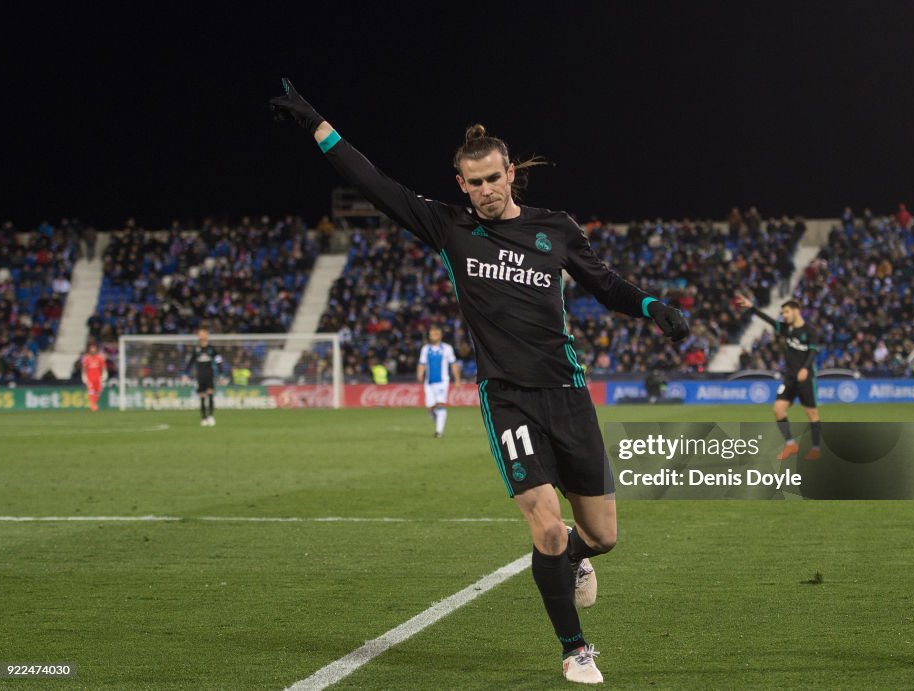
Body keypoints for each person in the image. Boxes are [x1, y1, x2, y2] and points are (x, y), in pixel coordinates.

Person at [271, 78, 689, 685]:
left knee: (601, 537)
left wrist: (652, 307)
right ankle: (575, 648)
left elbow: (606, 285)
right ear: (460, 184)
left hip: (568, 395)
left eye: (495, 178)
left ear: (511, 173)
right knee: (546, 525)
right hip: (508, 398)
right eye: (475, 183)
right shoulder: (450, 228)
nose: (487, 191)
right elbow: (375, 185)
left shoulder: (557, 228)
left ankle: (577, 558)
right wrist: (317, 124)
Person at [734, 295, 821, 461]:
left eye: (787, 312)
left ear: (796, 311)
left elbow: (813, 351)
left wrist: (804, 368)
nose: (784, 315)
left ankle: (816, 449)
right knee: (778, 410)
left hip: (806, 377)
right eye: (783, 313)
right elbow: (768, 319)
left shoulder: (809, 331)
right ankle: (790, 445)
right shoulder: (786, 329)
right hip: (789, 377)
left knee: (812, 413)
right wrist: (752, 307)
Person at [417, 325, 461, 438]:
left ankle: (439, 431)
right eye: (432, 334)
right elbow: (422, 363)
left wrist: (457, 380)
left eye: (436, 333)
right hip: (429, 382)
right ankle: (439, 426)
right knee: (430, 407)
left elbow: (453, 364)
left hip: (442, 381)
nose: (434, 336)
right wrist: (420, 374)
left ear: (440, 335)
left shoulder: (447, 348)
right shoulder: (425, 349)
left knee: (440, 404)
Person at [182, 328, 222, 427]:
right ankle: (204, 418)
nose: (200, 336)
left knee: (211, 395)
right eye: (199, 334)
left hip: (210, 375)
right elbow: (190, 363)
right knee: (202, 397)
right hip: (200, 376)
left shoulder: (212, 349)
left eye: (202, 334)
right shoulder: (196, 350)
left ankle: (211, 416)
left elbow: (218, 361)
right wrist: (185, 374)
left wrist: (221, 375)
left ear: (207, 335)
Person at [81, 342, 107, 412]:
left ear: (96, 349)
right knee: (91, 392)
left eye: (94, 349)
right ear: (89, 350)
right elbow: (84, 369)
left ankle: (94, 404)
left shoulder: (100, 358)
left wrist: (104, 376)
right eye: (91, 349)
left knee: (98, 392)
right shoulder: (86, 358)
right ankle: (93, 406)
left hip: (98, 378)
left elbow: (104, 368)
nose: (92, 350)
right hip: (90, 378)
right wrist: (84, 376)